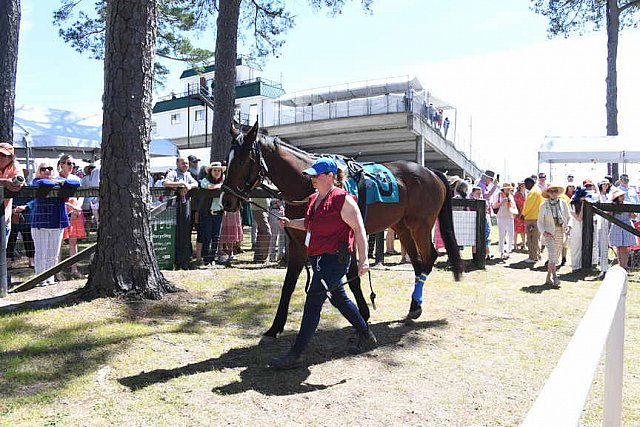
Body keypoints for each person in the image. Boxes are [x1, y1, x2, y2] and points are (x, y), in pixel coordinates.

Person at [270, 158, 375, 369]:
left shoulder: (343, 200)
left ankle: (296, 353)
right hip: (318, 259)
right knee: (340, 299)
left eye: (316, 175)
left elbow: (360, 230)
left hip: (335, 260)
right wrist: (290, 223)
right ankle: (366, 335)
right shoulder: (314, 199)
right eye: (310, 175)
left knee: (313, 303)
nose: (312, 179)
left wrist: (363, 260)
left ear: (330, 176)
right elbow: (309, 224)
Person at [31, 162, 80, 286]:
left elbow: (76, 183)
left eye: (49, 168)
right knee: (41, 252)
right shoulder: (36, 181)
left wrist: (60, 182)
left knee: (54, 253)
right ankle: (40, 278)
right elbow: (44, 183)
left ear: (54, 170)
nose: (47, 171)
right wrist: (59, 183)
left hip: (58, 222)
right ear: (39, 171)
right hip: (40, 222)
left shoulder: (60, 180)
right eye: (43, 169)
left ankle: (50, 277)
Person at [164, 157, 199, 269]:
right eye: (183, 163)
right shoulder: (173, 173)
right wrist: (180, 183)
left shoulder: (188, 175)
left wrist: (188, 186)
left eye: (187, 164)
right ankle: (175, 260)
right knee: (176, 233)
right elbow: (166, 183)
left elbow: (196, 183)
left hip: (186, 206)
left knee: (185, 232)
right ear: (178, 163)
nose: (186, 165)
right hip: (174, 208)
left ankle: (185, 260)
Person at [57, 154, 84, 279]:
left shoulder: (76, 179)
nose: (71, 166)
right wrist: (71, 209)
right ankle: (58, 271)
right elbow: (58, 198)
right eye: (68, 163)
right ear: (61, 164)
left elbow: (82, 194)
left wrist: (77, 208)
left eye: (72, 164)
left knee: (73, 241)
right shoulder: (56, 178)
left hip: (75, 212)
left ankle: (74, 269)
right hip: (62, 211)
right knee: (60, 243)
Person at [537, 183, 569, 286]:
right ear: (548, 193)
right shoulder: (543, 205)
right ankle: (555, 277)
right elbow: (540, 221)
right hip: (549, 233)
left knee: (555, 256)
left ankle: (548, 277)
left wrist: (568, 226)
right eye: (551, 191)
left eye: (555, 191)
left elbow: (568, 217)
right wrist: (543, 231)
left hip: (560, 230)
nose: (554, 193)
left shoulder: (563, 203)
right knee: (552, 255)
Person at [196, 162, 225, 265]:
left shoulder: (224, 180)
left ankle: (212, 258)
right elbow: (207, 186)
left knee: (216, 237)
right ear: (210, 171)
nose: (217, 172)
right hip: (207, 213)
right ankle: (206, 258)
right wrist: (220, 186)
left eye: (219, 170)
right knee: (206, 236)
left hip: (219, 213)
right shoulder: (205, 180)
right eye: (215, 170)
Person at [608, 188, 638, 269]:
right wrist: (611, 209)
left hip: (626, 226)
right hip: (617, 226)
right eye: (620, 196)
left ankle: (624, 266)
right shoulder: (613, 205)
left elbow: (633, 216)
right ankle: (620, 266)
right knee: (618, 247)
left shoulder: (628, 204)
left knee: (624, 248)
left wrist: (631, 211)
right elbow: (609, 216)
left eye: (623, 195)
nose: (622, 197)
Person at [521, 177, 543, 263]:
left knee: (531, 238)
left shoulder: (533, 192)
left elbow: (528, 205)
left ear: (530, 183)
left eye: (526, 184)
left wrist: (523, 214)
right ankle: (537, 255)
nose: (525, 186)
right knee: (536, 238)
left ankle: (532, 257)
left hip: (531, 218)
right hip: (536, 217)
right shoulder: (538, 190)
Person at [476, 170, 497, 259]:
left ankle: (486, 252)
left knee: (486, 231)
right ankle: (486, 253)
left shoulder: (482, 185)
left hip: (485, 211)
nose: (491, 181)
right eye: (491, 179)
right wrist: (495, 187)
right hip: (483, 212)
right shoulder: (481, 186)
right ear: (488, 178)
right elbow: (486, 196)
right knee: (486, 231)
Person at [493, 182, 516, 260]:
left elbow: (514, 207)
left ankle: (508, 252)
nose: (509, 189)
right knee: (501, 235)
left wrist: (514, 212)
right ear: (503, 189)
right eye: (507, 188)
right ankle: (501, 252)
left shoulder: (511, 197)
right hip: (501, 217)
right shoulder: (498, 195)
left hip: (510, 217)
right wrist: (501, 202)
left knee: (511, 235)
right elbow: (494, 206)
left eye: (509, 188)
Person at [513, 181, 527, 251]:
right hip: (518, 214)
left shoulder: (526, 194)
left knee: (523, 231)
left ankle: (524, 244)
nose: (524, 186)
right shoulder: (517, 194)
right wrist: (519, 213)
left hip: (524, 214)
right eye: (523, 185)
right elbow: (514, 204)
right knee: (516, 230)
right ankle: (515, 244)